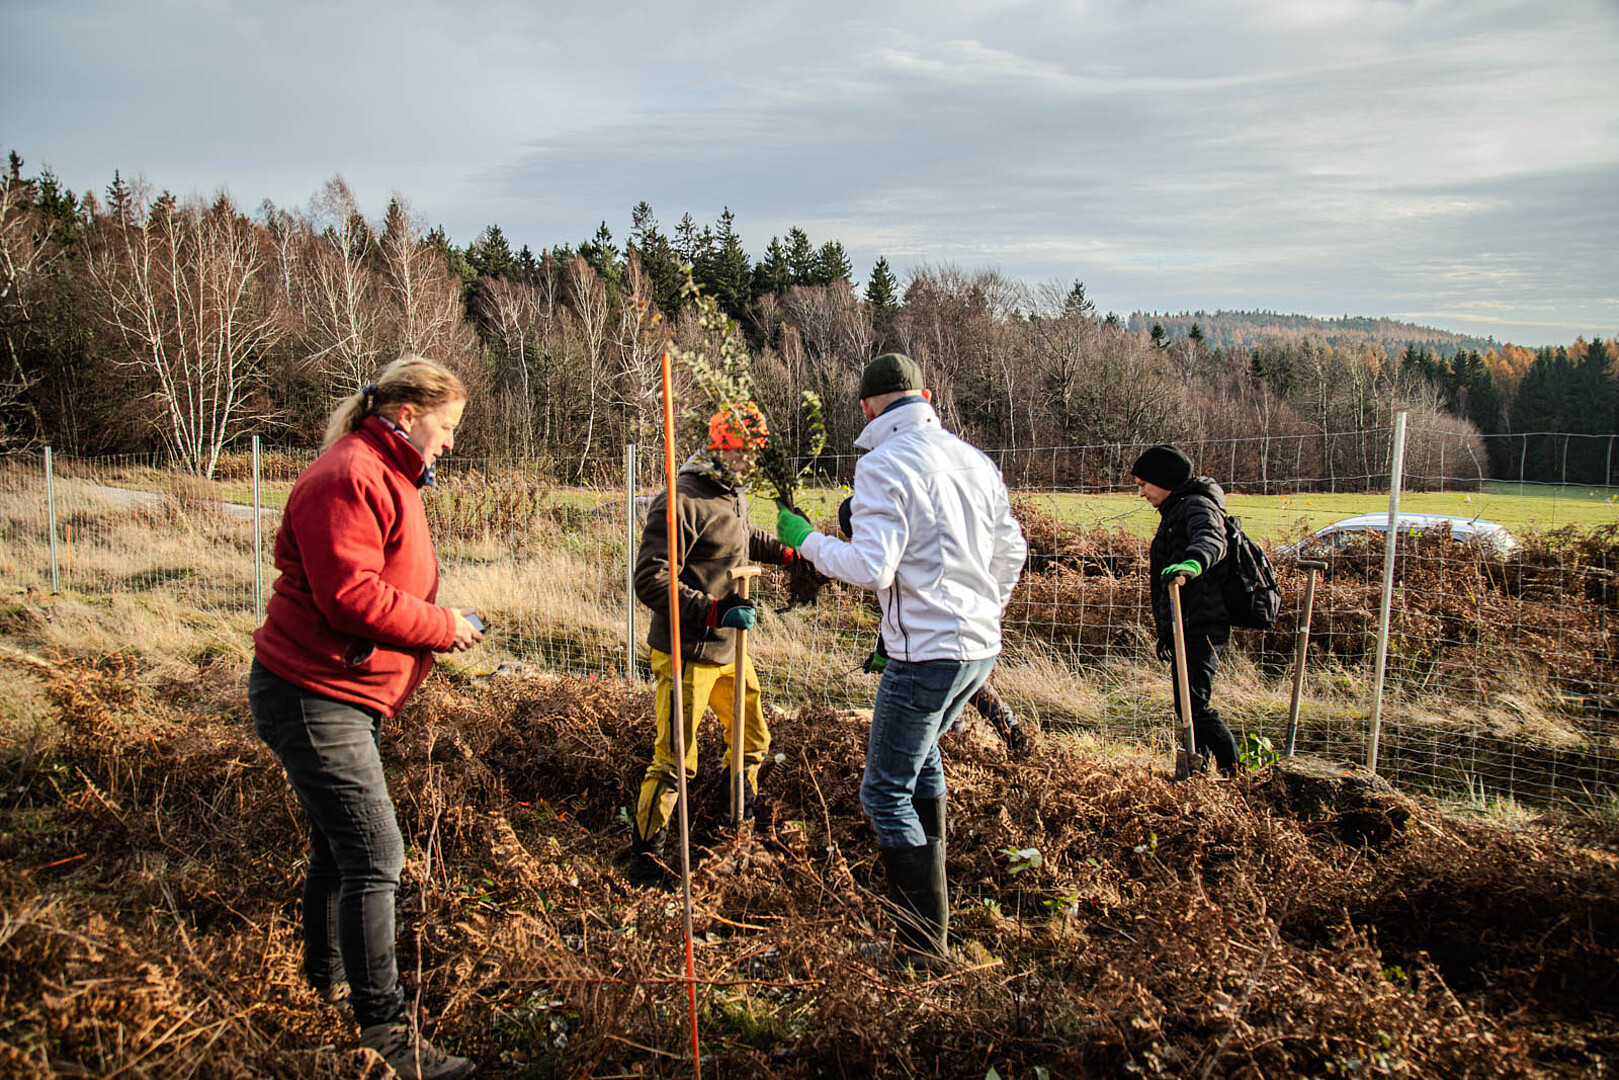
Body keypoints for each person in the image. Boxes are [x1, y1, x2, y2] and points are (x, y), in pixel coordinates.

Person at [249, 353, 482, 1080]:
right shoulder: (350, 474)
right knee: (377, 855)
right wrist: (442, 625)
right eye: (446, 427)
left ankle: (323, 987)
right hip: (315, 694)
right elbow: (349, 596)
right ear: (407, 415)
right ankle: (385, 1034)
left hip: (338, 692)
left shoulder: (385, 473)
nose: (450, 443)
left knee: (337, 851)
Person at [776, 354, 1026, 964]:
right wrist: (982, 610)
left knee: (884, 793)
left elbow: (871, 567)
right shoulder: (974, 459)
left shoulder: (883, 464)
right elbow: (1013, 550)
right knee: (924, 760)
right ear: (927, 396)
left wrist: (806, 541)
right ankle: (932, 931)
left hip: (924, 657)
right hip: (978, 649)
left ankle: (921, 950)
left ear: (866, 406)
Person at [628, 402, 796, 887]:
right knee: (675, 761)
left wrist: (788, 553)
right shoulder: (679, 501)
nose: (751, 462)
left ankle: (733, 834)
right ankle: (646, 863)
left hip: (729, 652)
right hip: (687, 652)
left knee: (752, 740)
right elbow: (651, 580)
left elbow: (740, 537)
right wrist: (714, 610)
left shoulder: (731, 494)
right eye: (745, 453)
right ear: (721, 449)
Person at [837, 497, 1029, 755]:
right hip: (968, 620)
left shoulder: (892, 555)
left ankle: (956, 739)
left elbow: (897, 613)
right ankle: (1006, 729)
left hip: (936, 635)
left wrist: (883, 654)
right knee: (968, 683)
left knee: (942, 688)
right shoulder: (917, 533)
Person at [1130, 442, 1241, 774]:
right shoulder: (1177, 509)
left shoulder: (1197, 506)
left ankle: (1235, 774)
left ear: (1164, 481)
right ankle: (1199, 771)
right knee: (1188, 706)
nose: (1141, 493)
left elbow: (1212, 539)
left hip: (1202, 621)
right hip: (1186, 621)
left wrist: (1192, 564)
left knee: (1195, 706)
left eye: (1144, 484)